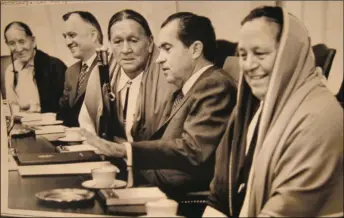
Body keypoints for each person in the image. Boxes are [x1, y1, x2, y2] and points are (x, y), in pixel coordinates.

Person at [205, 6, 343, 217]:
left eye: (260, 53)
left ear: (289, 56)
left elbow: (286, 209)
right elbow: (220, 198)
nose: (249, 65)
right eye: (242, 55)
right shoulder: (248, 112)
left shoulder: (320, 118)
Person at [82, 12, 237, 198]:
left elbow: (193, 150)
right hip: (158, 180)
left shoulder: (213, 85)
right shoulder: (191, 86)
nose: (159, 58)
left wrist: (124, 151)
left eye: (167, 48)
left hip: (176, 193)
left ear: (195, 50)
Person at [79, 9, 176, 143]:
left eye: (133, 40)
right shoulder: (101, 73)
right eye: (118, 41)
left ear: (149, 43)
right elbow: (87, 124)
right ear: (110, 45)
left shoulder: (170, 78)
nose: (125, 50)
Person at [4, 21, 66, 113]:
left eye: (22, 41)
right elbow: (12, 108)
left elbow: (66, 107)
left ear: (33, 41)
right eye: (12, 43)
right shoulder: (10, 70)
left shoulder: (55, 66)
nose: (19, 49)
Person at [58, 11, 103, 127]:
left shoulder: (110, 67)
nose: (67, 42)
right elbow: (63, 114)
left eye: (72, 35)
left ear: (93, 35)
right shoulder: (70, 72)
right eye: (65, 37)